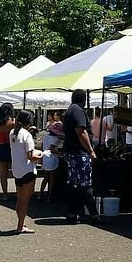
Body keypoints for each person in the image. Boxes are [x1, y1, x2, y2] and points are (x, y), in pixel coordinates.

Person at [63, 89, 101, 224]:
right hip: (78, 152)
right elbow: (81, 131)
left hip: (70, 151)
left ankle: (72, 214)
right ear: (84, 99)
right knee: (84, 184)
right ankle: (94, 215)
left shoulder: (70, 110)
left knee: (73, 184)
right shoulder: (78, 110)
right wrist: (91, 150)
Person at [10, 111, 42, 233]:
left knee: (20, 198)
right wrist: (41, 156)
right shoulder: (26, 135)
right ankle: (20, 225)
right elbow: (30, 156)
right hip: (27, 169)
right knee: (25, 200)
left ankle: (20, 223)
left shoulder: (13, 133)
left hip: (17, 169)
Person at [0, 103, 15, 202]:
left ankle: (5, 194)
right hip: (10, 148)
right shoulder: (12, 122)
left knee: (3, 174)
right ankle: (18, 192)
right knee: (16, 172)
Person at [39, 121, 63, 202]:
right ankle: (49, 196)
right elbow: (52, 150)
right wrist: (62, 153)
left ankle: (40, 194)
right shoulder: (55, 139)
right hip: (52, 159)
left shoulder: (45, 137)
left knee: (45, 178)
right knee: (52, 178)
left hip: (45, 158)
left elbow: (42, 147)